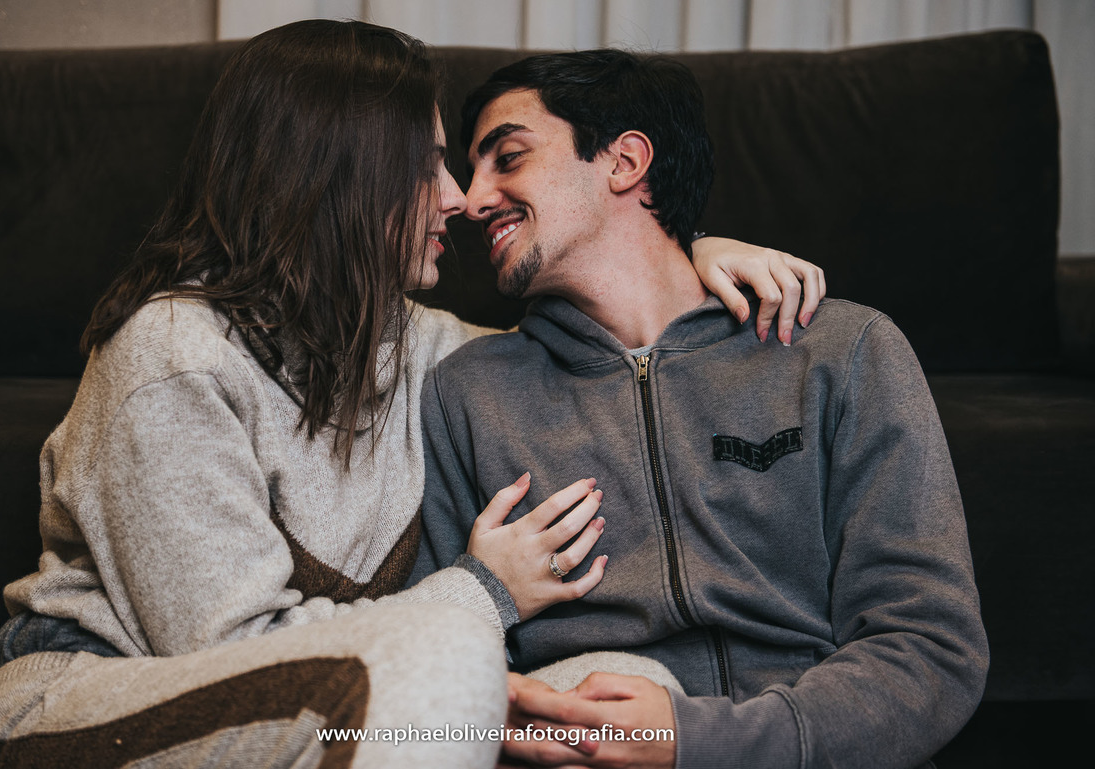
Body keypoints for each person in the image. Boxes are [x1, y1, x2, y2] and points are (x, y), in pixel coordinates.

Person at [0, 22, 824, 769]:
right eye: (428, 163)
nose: (459, 198)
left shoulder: (418, 346)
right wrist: (485, 592)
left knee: (606, 693)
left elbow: (587, 349)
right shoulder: (172, 354)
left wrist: (685, 261)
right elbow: (234, 659)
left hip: (317, 708)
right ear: (337, 172)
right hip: (91, 709)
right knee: (448, 654)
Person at [412, 49, 989, 769]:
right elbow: (447, 663)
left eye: (509, 157)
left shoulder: (843, 352)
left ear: (624, 162)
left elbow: (933, 649)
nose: (471, 198)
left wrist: (695, 741)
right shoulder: (466, 391)